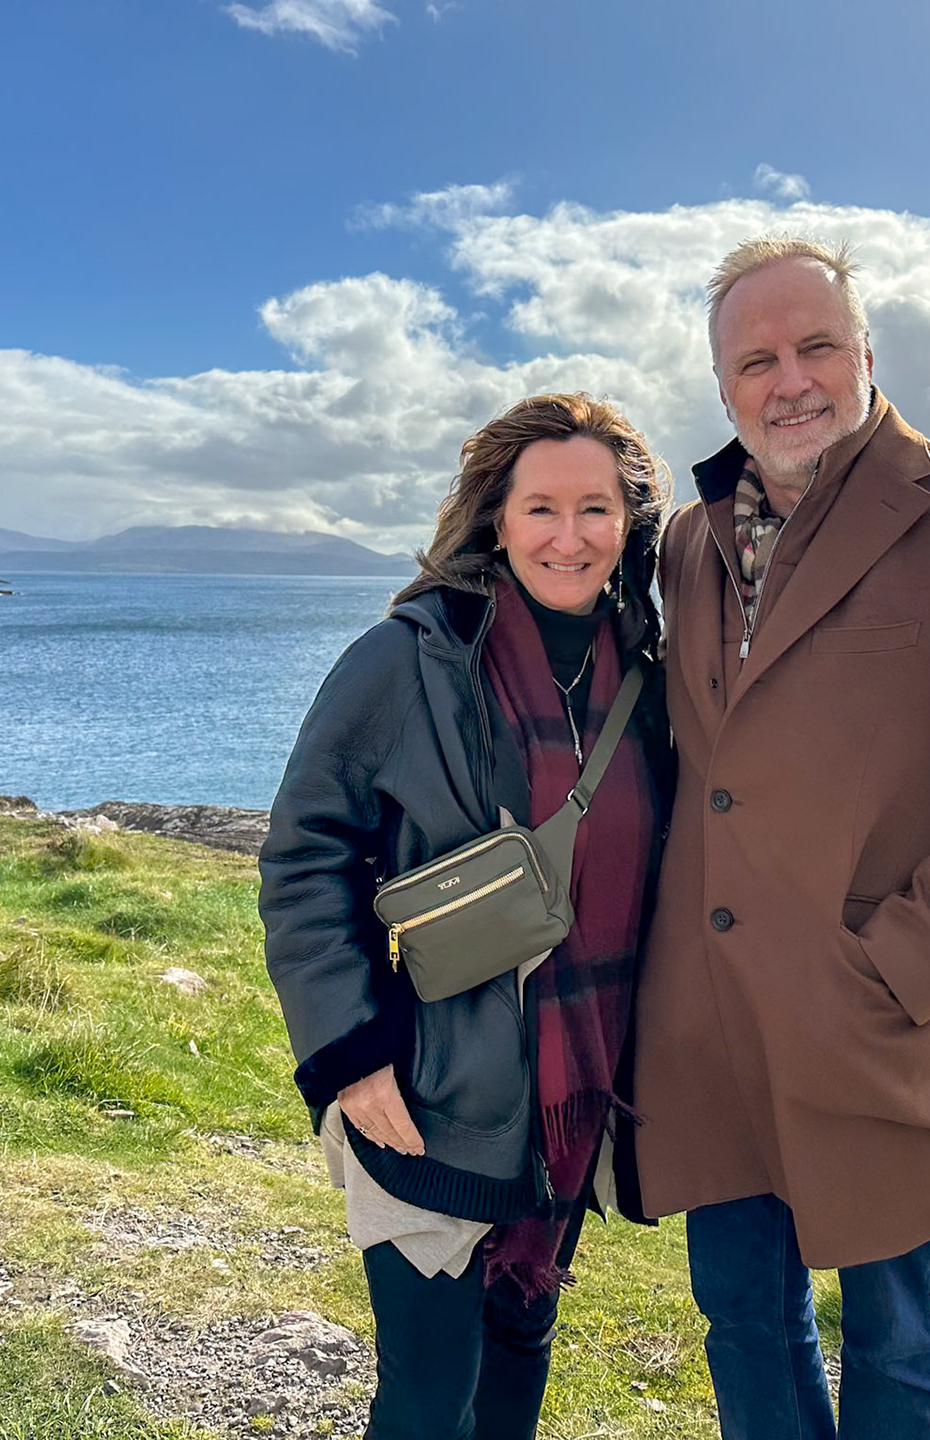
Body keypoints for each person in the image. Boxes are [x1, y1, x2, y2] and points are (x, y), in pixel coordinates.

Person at [633, 237, 930, 1439]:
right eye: (757, 362)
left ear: (866, 353)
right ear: (723, 386)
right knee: (743, 1319)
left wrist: (897, 965)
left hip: (873, 1021)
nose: (790, 381)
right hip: (709, 1022)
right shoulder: (687, 541)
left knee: (893, 1336)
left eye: (816, 347)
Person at [259, 392, 672, 1440]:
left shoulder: (649, 673)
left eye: (595, 509)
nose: (569, 537)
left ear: (629, 525)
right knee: (430, 1394)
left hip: (573, 1101)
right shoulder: (411, 658)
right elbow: (306, 854)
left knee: (519, 1355)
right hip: (428, 1092)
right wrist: (349, 1057)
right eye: (541, 508)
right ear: (497, 517)